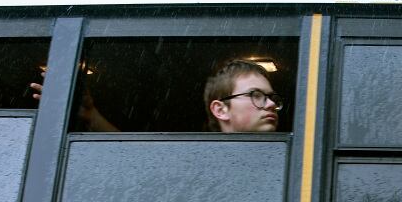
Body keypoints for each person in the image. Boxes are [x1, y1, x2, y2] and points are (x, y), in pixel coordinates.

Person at [31, 59, 283, 133]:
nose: (271, 104)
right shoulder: (198, 159)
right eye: (256, 95)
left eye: (271, 98)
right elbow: (139, 157)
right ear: (221, 110)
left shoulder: (287, 165)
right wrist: (90, 116)